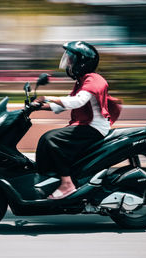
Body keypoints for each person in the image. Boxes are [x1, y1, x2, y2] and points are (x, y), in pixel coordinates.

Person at [34, 41, 122, 200]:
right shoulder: (83, 80)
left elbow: (77, 102)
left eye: (71, 58)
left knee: (51, 139)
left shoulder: (94, 80)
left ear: (82, 61)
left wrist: (47, 97)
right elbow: (65, 104)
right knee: (46, 140)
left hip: (93, 128)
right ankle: (52, 178)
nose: (68, 61)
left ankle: (67, 184)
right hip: (87, 126)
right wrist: (38, 107)